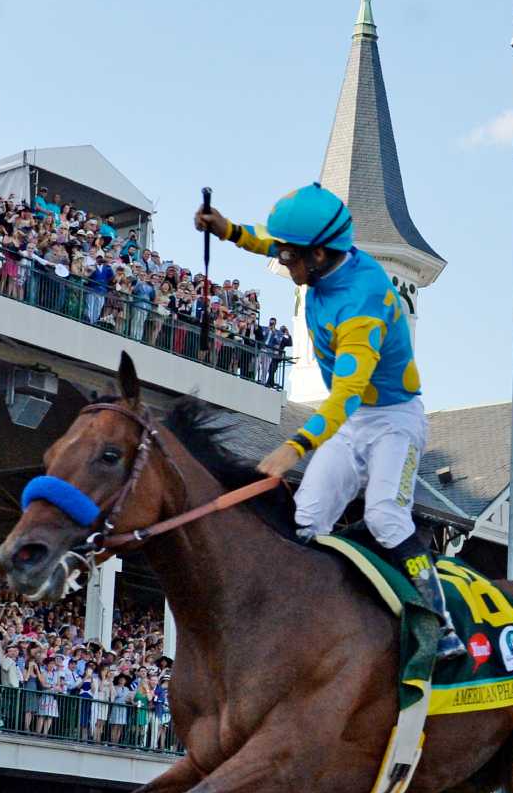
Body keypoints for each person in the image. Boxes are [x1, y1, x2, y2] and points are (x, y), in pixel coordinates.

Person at [194, 185, 463, 658]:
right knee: (306, 519)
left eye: (291, 258)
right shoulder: (323, 261)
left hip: (393, 421)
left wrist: (293, 447)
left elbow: (345, 395)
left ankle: (440, 623)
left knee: (383, 513)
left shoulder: (363, 304)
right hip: (351, 419)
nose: (284, 265)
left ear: (319, 253)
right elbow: (270, 241)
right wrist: (229, 230)